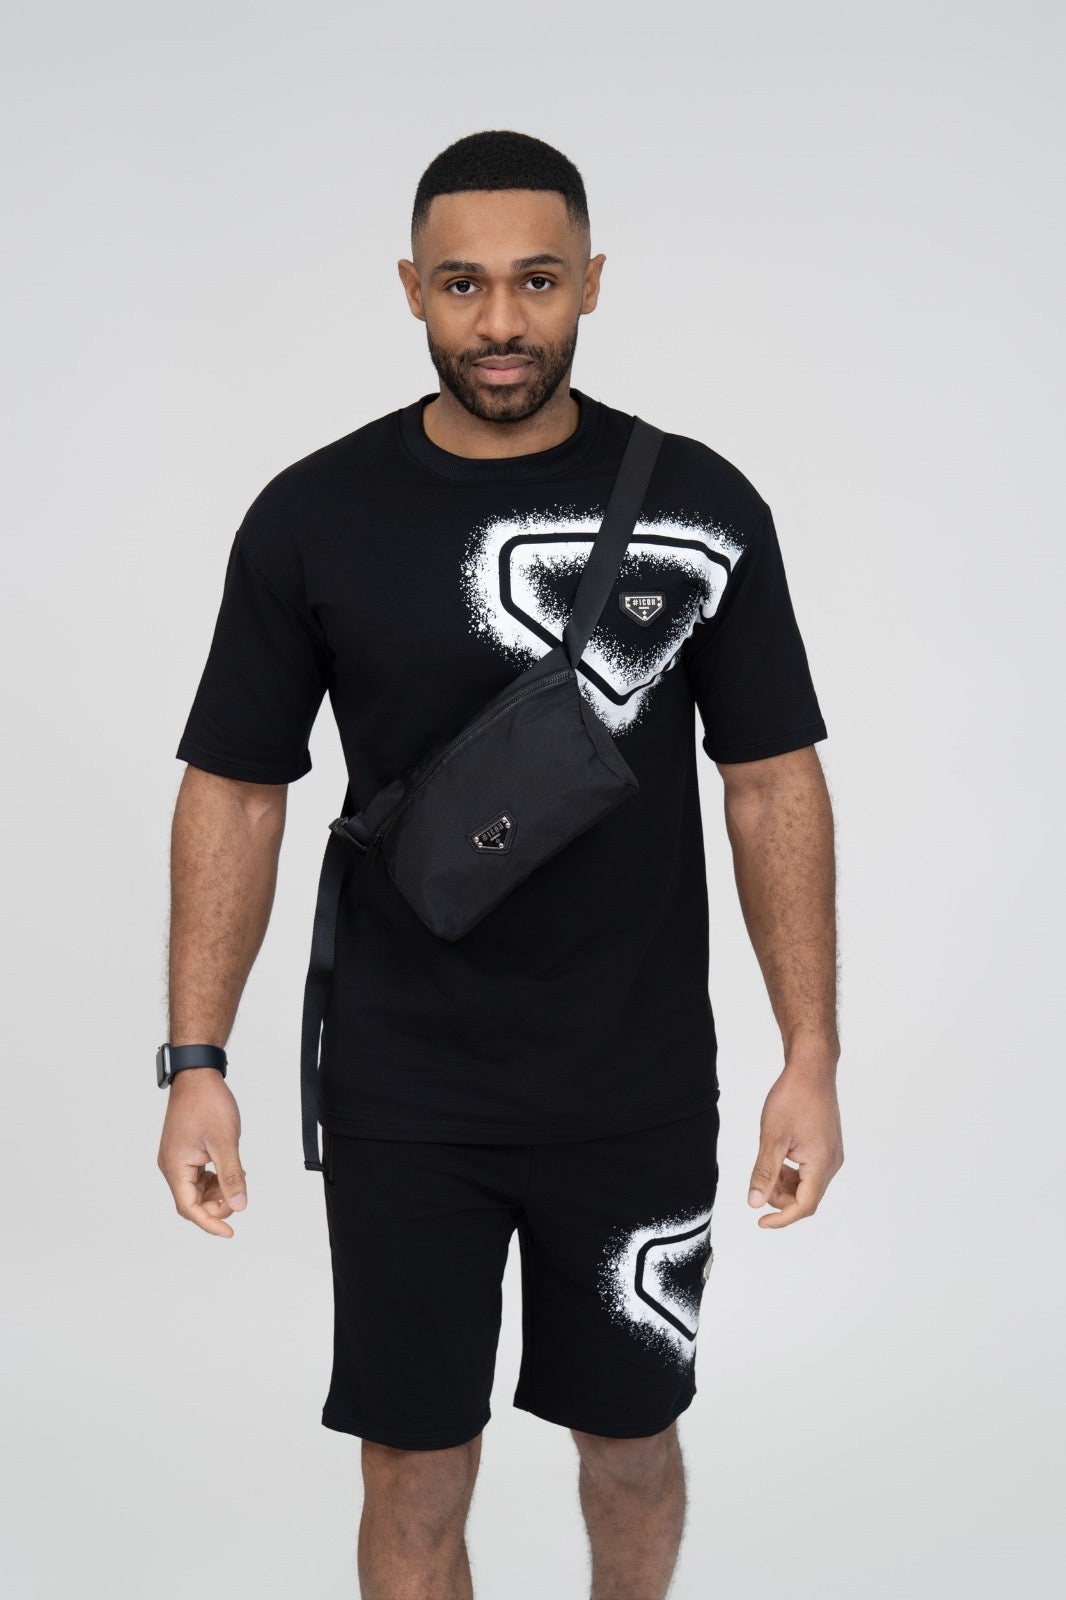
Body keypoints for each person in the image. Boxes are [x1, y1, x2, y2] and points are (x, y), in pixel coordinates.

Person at [157, 128, 843, 1600]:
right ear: (412, 289)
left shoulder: (701, 504)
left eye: (537, 280)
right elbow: (235, 793)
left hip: (636, 1080)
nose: (501, 321)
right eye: (462, 285)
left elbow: (771, 782)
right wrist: (194, 1060)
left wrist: (812, 1054)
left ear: (591, 280)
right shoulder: (313, 514)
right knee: (413, 1466)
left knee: (632, 1442)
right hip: (403, 1084)